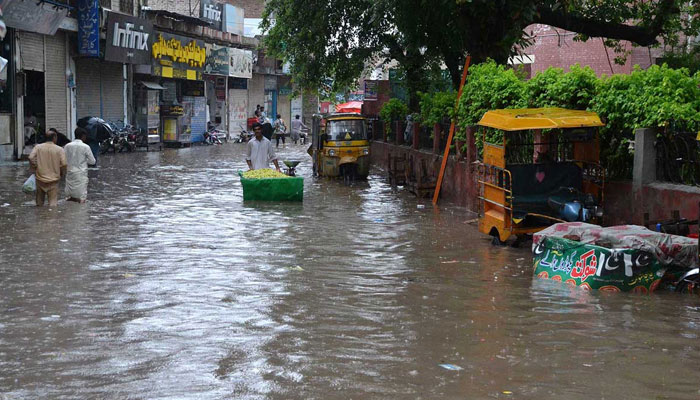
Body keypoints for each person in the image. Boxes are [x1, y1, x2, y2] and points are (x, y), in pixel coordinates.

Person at [28, 130, 66, 207]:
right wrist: (62, 173)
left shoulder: (38, 147)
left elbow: (30, 157)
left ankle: (40, 217)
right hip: (53, 180)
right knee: (52, 204)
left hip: (40, 178)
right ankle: (51, 217)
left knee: (39, 203)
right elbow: (64, 164)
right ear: (54, 138)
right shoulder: (59, 149)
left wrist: (35, 166)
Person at [64, 127, 96, 203]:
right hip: (81, 174)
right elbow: (93, 162)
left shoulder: (67, 146)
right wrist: (84, 160)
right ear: (83, 136)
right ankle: (81, 213)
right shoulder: (86, 147)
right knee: (82, 198)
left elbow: (63, 159)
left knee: (70, 197)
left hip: (70, 173)